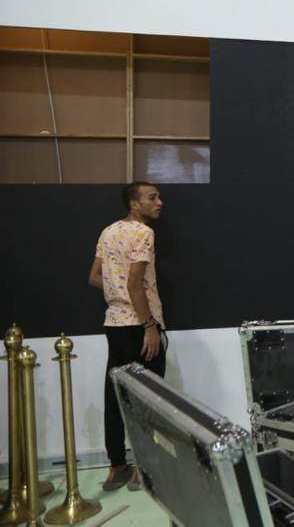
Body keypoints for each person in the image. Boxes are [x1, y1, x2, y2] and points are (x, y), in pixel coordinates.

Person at [88, 181, 167, 491]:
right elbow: (135, 284)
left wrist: (116, 292)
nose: (159, 202)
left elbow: (94, 277)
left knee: (115, 395)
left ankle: (117, 466)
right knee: (148, 398)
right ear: (135, 204)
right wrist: (149, 326)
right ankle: (145, 469)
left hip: (114, 324)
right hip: (138, 325)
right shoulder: (144, 233)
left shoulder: (108, 232)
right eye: (152, 198)